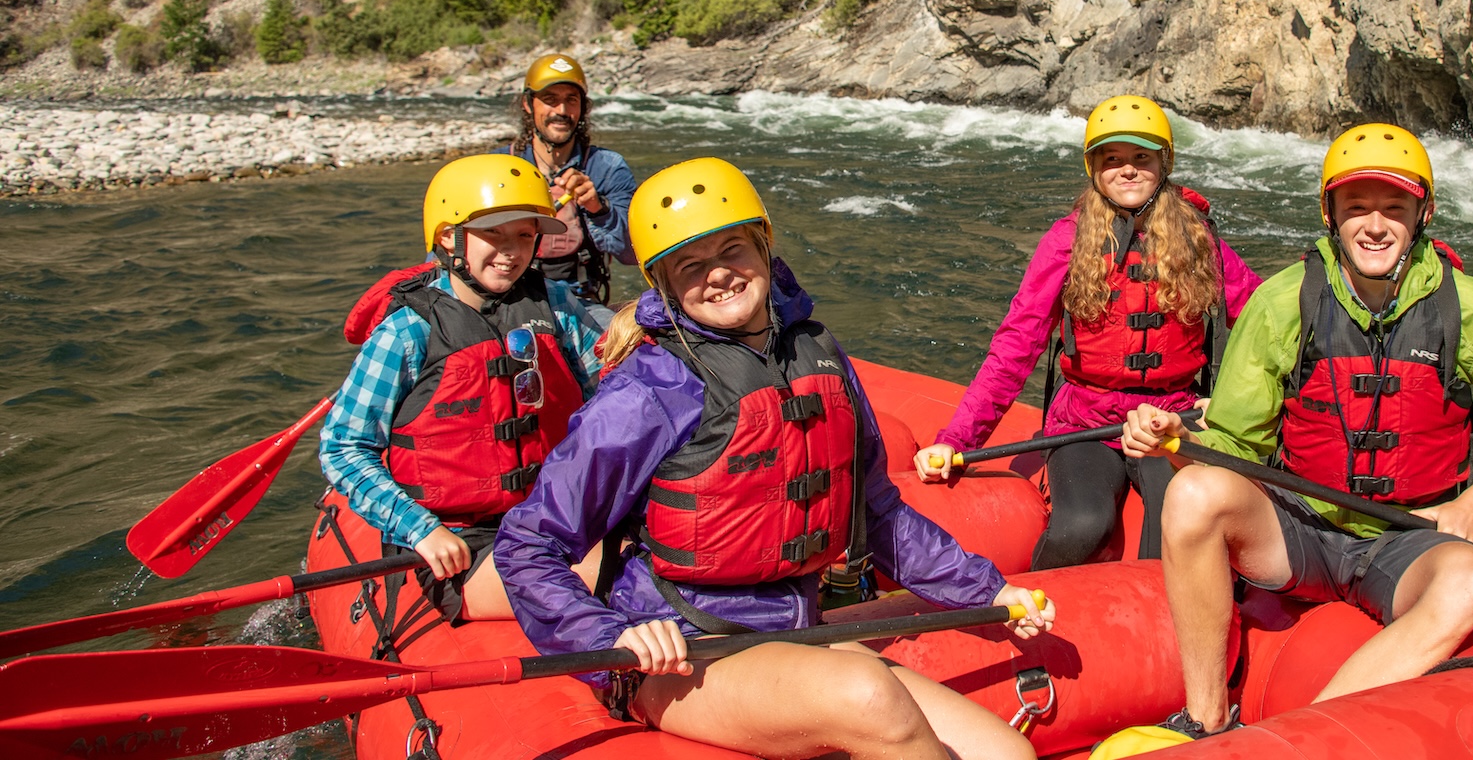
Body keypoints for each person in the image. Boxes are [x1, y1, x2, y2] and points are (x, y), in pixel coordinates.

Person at [495, 157, 1054, 760]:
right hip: (684, 652)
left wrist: (986, 591)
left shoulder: (817, 354)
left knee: (1005, 754)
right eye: (690, 265)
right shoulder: (649, 391)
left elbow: (876, 512)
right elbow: (527, 546)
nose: (718, 275)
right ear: (663, 284)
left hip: (794, 630)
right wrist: (607, 636)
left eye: (731, 249)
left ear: (764, 246)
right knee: (867, 693)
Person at [1121, 123, 1473, 742]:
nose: (1375, 225)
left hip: (1407, 538)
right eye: (1356, 207)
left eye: (1394, 208)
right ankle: (1206, 719)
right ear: (1330, 214)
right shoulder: (1286, 301)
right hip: (1303, 528)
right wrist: (1180, 438)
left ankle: (1300, 738)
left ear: (1423, 213)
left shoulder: (1472, 310)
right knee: (1193, 492)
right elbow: (1234, 445)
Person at [914, 95, 1261, 569]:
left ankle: (1161, 629)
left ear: (1165, 162)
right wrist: (957, 440)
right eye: (1112, 159)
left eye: (1142, 157)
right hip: (1086, 424)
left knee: (1175, 521)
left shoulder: (1201, 238)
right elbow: (1016, 347)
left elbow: (1263, 324)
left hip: (1172, 420)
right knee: (1083, 525)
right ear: (1093, 167)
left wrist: (1225, 408)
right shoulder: (1066, 241)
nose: (1128, 170)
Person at [322, 153, 603, 622]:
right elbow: (344, 448)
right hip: (460, 544)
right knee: (619, 573)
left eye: (525, 234)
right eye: (494, 234)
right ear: (448, 237)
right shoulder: (408, 332)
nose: (512, 251)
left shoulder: (556, 306)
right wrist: (420, 529)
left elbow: (611, 397)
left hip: (553, 514)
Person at [506, 52, 639, 330]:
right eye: (550, 100)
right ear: (528, 105)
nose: (562, 111)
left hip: (581, 302)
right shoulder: (499, 167)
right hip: (509, 299)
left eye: (571, 100)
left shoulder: (607, 167)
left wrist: (598, 208)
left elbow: (633, 253)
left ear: (582, 108)